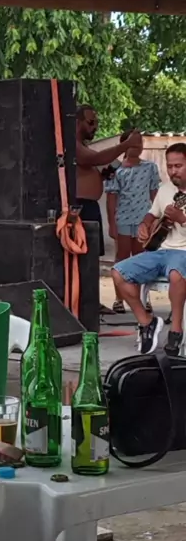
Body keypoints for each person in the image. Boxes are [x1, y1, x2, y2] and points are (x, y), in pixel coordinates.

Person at [111, 143, 186, 356]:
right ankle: (147, 322)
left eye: (178, 166)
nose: (173, 171)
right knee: (119, 272)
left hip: (184, 253)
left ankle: (176, 330)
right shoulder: (165, 189)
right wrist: (145, 225)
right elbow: (152, 214)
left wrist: (182, 219)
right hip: (161, 250)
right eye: (170, 166)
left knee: (176, 274)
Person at [76, 105, 142, 259]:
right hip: (80, 207)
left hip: (90, 206)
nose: (95, 127)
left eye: (96, 123)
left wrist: (102, 176)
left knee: (91, 257)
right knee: (84, 257)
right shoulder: (71, 144)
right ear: (77, 122)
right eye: (91, 122)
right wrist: (126, 144)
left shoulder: (83, 146)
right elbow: (94, 158)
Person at [106, 130, 160, 313]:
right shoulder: (116, 170)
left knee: (141, 258)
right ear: (124, 146)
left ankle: (144, 298)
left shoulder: (150, 168)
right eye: (133, 144)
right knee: (122, 258)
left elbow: (155, 194)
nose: (137, 147)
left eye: (140, 143)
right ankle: (119, 299)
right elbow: (111, 198)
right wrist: (112, 224)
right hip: (122, 219)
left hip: (143, 219)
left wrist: (156, 219)